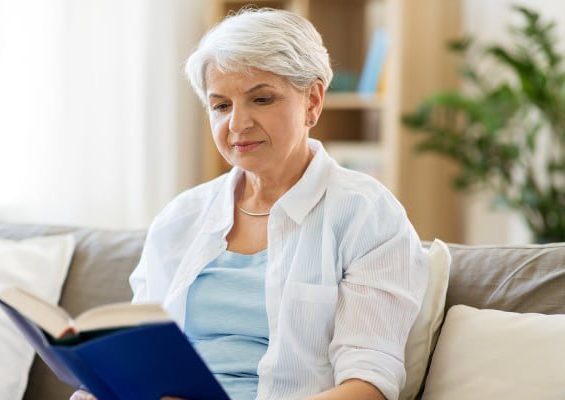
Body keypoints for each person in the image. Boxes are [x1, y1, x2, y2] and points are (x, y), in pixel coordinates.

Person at [71, 7, 427, 400]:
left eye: (261, 99)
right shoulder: (181, 218)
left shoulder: (365, 214)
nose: (237, 124)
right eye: (221, 106)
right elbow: (136, 356)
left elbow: (368, 386)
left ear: (312, 101)